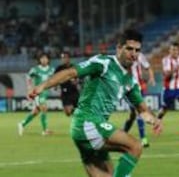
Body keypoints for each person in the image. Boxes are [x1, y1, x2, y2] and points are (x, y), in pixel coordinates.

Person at [27, 29, 162, 177]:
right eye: (129, 48)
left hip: (88, 130)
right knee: (135, 146)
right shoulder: (103, 63)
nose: (133, 53)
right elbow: (71, 72)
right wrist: (42, 86)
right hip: (88, 122)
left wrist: (153, 119)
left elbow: (142, 110)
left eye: (137, 50)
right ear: (119, 48)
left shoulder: (131, 81)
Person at [123, 50, 156, 148]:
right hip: (129, 88)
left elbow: (148, 67)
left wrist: (152, 78)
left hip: (139, 87)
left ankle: (123, 134)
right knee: (138, 112)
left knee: (134, 114)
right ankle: (143, 138)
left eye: (137, 50)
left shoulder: (140, 56)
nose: (135, 52)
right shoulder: (124, 57)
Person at [18, 53, 55, 136]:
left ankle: (22, 124)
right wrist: (29, 88)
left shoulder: (52, 70)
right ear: (39, 60)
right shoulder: (35, 69)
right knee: (44, 108)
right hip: (38, 93)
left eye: (45, 58)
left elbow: (54, 79)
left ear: (48, 60)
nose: (44, 60)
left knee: (36, 111)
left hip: (45, 92)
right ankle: (45, 130)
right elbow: (28, 77)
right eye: (42, 58)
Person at [54, 51, 80, 116]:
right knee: (67, 113)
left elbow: (79, 77)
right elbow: (55, 78)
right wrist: (55, 85)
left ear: (69, 58)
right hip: (64, 92)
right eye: (62, 58)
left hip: (74, 91)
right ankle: (76, 114)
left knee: (75, 109)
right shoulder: (59, 68)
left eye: (65, 57)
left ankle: (78, 119)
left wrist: (76, 81)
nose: (63, 59)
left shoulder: (74, 67)